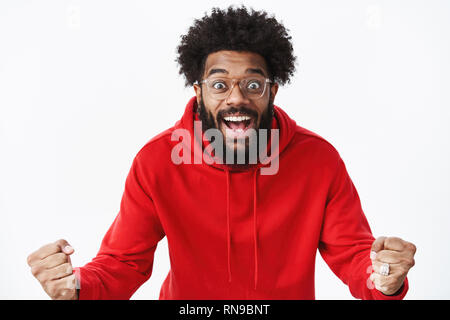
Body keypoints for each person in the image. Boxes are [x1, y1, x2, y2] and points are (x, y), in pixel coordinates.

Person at [27, 5, 416, 300]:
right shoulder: (158, 161)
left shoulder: (318, 161)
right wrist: (77, 287)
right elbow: (123, 262)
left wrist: (383, 276)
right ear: (197, 92)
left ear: (272, 92)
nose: (236, 98)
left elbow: (354, 257)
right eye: (219, 85)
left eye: (252, 84)